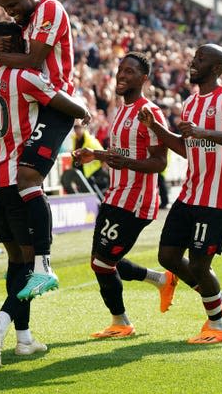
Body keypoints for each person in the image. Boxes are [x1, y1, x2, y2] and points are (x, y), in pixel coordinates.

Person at [0, 21, 89, 368]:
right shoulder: (24, 78)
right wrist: (82, 106)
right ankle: (2, 322)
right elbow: (66, 105)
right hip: (15, 177)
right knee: (29, 263)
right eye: (8, 45)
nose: (13, 48)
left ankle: (24, 340)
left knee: (15, 260)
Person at [0, 0, 89, 301]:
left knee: (26, 176)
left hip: (56, 103)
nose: (10, 11)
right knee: (24, 180)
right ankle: (36, 275)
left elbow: (33, 59)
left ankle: (43, 265)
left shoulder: (49, 10)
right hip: (39, 103)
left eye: (13, 4)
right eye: (4, 7)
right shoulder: (25, 20)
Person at [138, 44, 222, 344]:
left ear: (216, 68)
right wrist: (157, 128)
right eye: (194, 57)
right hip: (190, 193)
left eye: (201, 59)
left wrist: (206, 133)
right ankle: (219, 300)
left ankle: (216, 325)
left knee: (200, 264)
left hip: (215, 199)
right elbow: (186, 148)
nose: (193, 62)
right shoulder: (191, 103)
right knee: (167, 256)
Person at [73, 52, 177, 338]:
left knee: (102, 262)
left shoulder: (150, 113)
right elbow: (121, 154)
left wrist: (125, 163)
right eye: (120, 70)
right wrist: (95, 154)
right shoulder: (121, 111)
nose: (122, 75)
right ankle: (160, 279)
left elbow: (160, 163)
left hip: (136, 202)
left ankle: (121, 322)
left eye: (130, 72)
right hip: (115, 195)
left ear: (143, 79)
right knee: (102, 259)